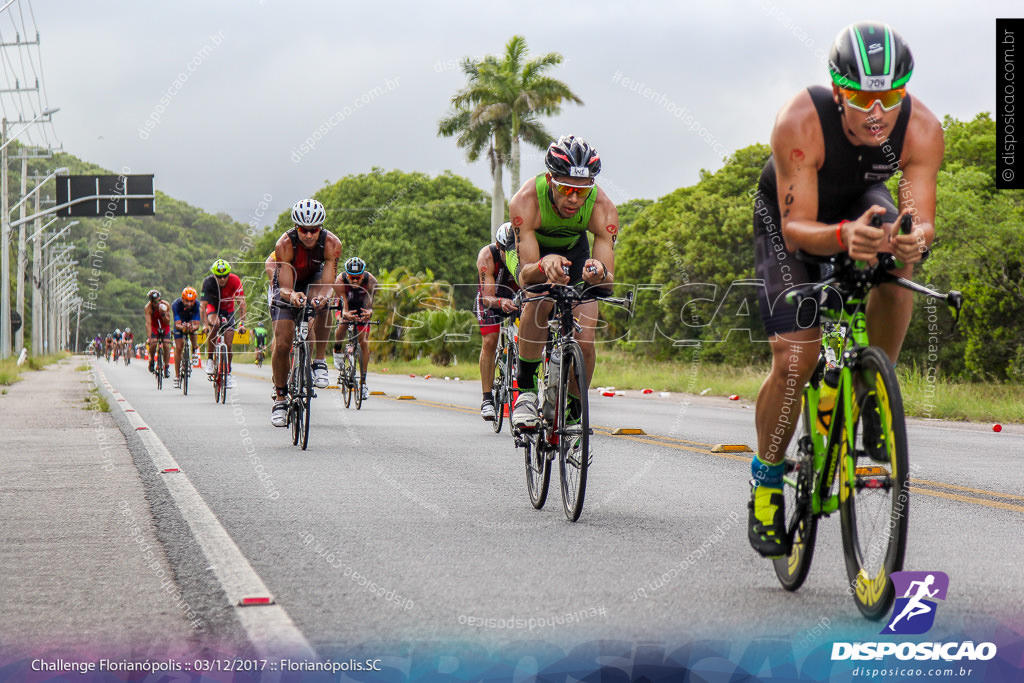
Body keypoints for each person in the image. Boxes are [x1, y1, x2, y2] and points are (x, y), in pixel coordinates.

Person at [747, 22, 942, 558]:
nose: (876, 111)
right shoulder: (801, 120)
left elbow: (919, 218)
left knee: (898, 266)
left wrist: (913, 241)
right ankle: (766, 480)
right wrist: (841, 237)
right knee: (797, 358)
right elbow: (796, 228)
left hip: (863, 202)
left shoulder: (922, 128)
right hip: (791, 222)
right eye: (861, 96)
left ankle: (874, 387)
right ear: (838, 90)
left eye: (889, 95)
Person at [508, 135, 618, 430]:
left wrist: (597, 271)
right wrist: (544, 264)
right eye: (566, 188)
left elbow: (607, 283)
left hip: (576, 250)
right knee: (539, 298)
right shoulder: (525, 201)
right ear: (550, 179)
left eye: (582, 192)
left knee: (585, 341)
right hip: (537, 256)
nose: (573, 199)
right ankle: (527, 393)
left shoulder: (603, 208)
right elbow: (525, 276)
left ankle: (573, 410)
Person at [268, 198, 342, 426]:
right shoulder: (284, 245)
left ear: (321, 229)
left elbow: (329, 285)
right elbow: (285, 287)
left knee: (323, 304)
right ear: (295, 228)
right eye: (303, 230)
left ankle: (319, 361)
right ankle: (280, 398)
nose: (309, 235)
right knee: (282, 343)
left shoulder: (331, 243)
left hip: (315, 277)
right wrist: (293, 296)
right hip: (288, 283)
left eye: (314, 230)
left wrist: (322, 298)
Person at [475, 221, 520, 421]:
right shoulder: (487, 256)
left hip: (516, 295)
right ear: (497, 245)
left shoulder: (525, 251)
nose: (508, 254)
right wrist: (501, 302)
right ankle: (486, 399)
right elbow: (487, 297)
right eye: (504, 250)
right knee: (490, 341)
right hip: (492, 297)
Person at [332, 256, 378, 401]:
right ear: (347, 275)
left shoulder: (371, 281)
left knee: (363, 342)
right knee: (343, 322)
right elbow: (343, 304)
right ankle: (337, 350)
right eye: (352, 278)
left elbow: (369, 302)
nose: (355, 281)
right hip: (344, 304)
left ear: (363, 274)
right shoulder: (340, 281)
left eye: (358, 278)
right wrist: (344, 314)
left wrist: (369, 312)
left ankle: (363, 383)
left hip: (360, 305)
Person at [201, 259, 247, 389]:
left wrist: (242, 323)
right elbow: (202, 306)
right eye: (219, 276)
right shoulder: (208, 282)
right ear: (214, 275)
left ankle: (227, 373)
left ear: (229, 274)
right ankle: (210, 359)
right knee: (214, 325)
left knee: (228, 343)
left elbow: (241, 302)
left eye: (225, 275)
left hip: (228, 310)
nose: (222, 279)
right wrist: (205, 325)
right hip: (213, 308)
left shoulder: (234, 280)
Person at [172, 286, 202, 388]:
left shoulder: (198, 305)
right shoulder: (176, 305)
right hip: (180, 324)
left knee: (193, 332)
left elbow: (197, 325)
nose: (189, 304)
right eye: (187, 301)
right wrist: (183, 327)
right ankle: (177, 376)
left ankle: (194, 351)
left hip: (191, 322)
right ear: (182, 299)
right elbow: (177, 324)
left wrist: (191, 327)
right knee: (179, 348)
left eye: (191, 301)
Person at [144, 289, 173, 377]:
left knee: (166, 345)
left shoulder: (166, 305)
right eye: (155, 302)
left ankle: (166, 366)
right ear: (151, 302)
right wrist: (149, 337)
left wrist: (163, 314)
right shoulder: (148, 308)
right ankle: (152, 360)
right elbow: (148, 324)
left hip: (164, 326)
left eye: (158, 300)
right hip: (154, 326)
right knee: (153, 344)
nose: (157, 303)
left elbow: (168, 321)